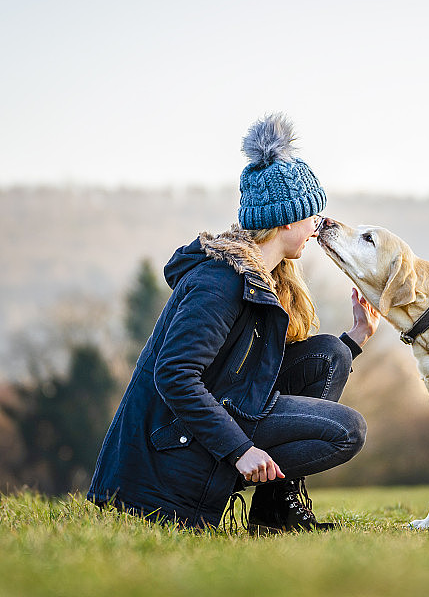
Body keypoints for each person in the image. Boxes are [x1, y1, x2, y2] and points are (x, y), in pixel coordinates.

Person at [87, 113, 380, 533]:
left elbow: (259, 372)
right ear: (285, 221)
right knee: (347, 431)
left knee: (331, 354)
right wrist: (240, 450)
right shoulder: (220, 282)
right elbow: (175, 376)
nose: (319, 226)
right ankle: (237, 481)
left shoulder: (260, 275)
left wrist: (354, 339)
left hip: (228, 403)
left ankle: (274, 507)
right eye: (312, 216)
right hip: (177, 445)